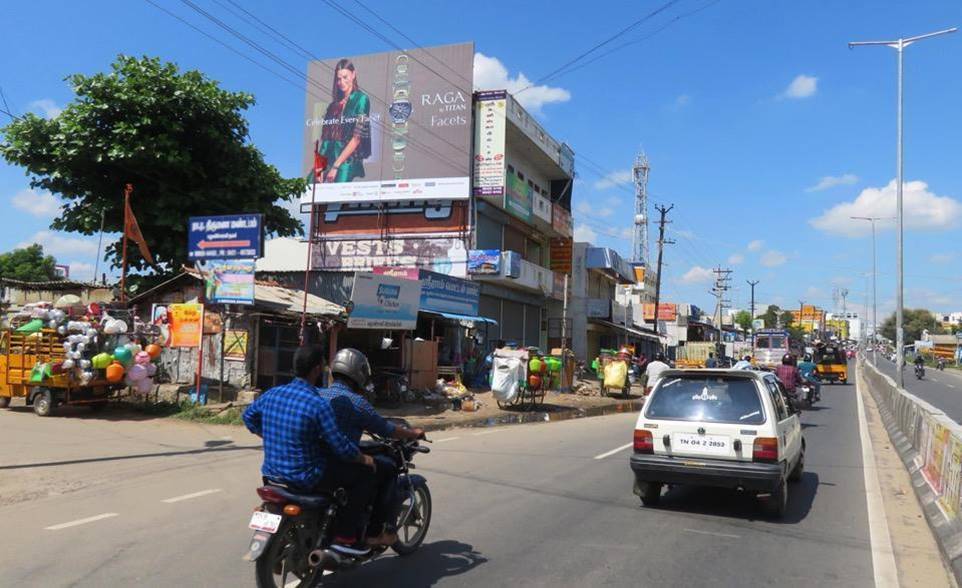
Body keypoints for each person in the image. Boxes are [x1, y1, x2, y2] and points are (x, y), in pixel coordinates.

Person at [242, 346, 376, 556]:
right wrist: (363, 458)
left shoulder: (272, 394)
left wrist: (267, 434)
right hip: (305, 478)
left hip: (270, 475)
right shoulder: (317, 404)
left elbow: (248, 417)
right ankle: (346, 536)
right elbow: (340, 446)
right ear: (316, 370)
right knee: (364, 475)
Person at [318, 348, 425, 549]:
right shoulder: (358, 404)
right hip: (341, 464)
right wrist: (413, 433)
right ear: (359, 374)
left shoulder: (318, 394)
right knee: (387, 468)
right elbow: (386, 429)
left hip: (316, 462)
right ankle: (376, 533)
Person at [316, 59, 372, 184]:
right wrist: (319, 169)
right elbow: (325, 141)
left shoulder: (362, 99)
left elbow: (357, 138)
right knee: (309, 186)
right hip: (329, 159)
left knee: (338, 190)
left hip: (348, 160)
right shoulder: (332, 106)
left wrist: (336, 166)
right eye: (338, 79)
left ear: (353, 75)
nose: (341, 82)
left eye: (345, 77)